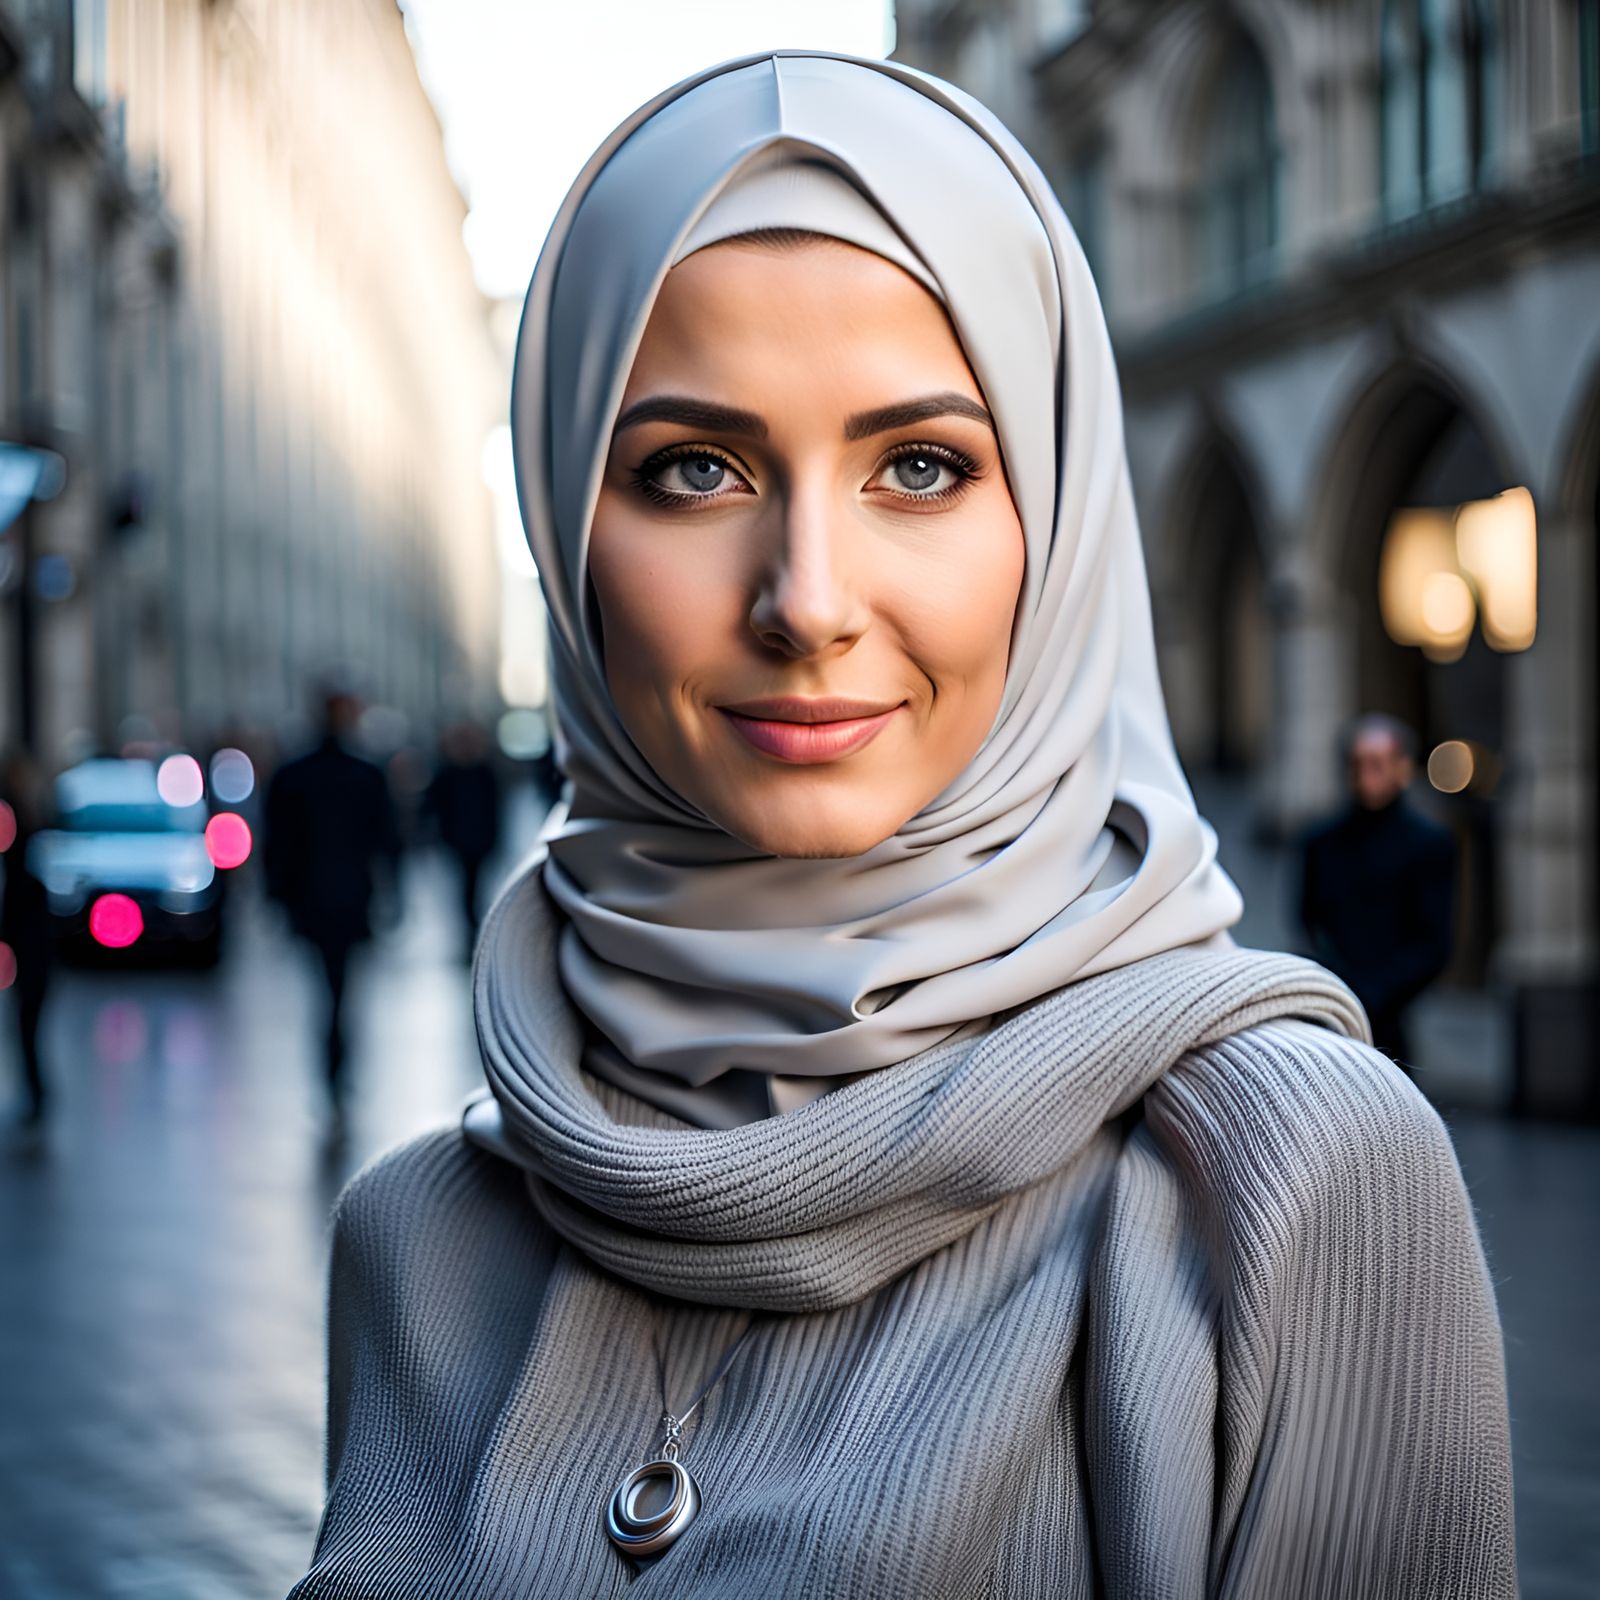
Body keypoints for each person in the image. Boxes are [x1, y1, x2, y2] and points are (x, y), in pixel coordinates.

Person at [289, 56, 1514, 1598]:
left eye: (921, 466)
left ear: (1053, 529)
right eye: (694, 469)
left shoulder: (1283, 1186)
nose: (806, 600)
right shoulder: (416, 1239)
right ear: (561, 526)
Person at [263, 688, 400, 1110]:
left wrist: (278, 899)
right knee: (339, 992)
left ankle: (334, 1072)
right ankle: (337, 1072)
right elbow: (389, 843)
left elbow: (277, 845)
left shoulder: (296, 774)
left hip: (319, 902)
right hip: (344, 900)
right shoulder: (364, 774)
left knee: (332, 990)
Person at [1300, 713, 1457, 1069]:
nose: (1365, 775)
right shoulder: (1320, 842)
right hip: (1331, 1012)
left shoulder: (1429, 843)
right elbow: (1308, 920)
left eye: (1377, 764)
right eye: (1357, 764)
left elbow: (1434, 944)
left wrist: (1378, 992)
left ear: (1401, 768)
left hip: (1391, 1016)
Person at [0, 752, 53, 1127]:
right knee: (27, 1027)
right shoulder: (32, 828)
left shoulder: (26, 835)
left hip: (31, 947)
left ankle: (37, 1096)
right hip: (33, 947)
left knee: (27, 1026)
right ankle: (37, 1095)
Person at [424, 719, 502, 955]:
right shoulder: (448, 773)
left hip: (478, 841)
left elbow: (494, 808)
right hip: (459, 842)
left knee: (473, 887)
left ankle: (473, 929)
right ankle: (469, 930)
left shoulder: (483, 772)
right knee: (465, 889)